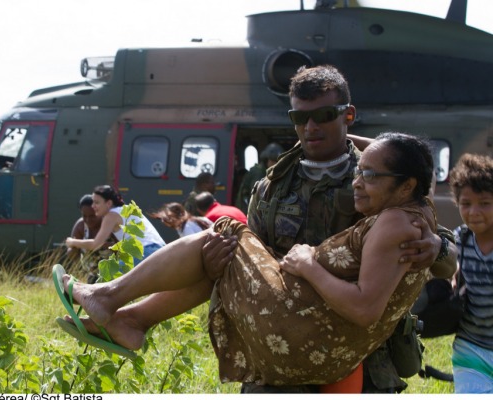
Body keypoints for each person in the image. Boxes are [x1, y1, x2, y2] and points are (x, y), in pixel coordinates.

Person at [58, 132, 441, 390]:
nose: (358, 181)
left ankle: (111, 298)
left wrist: (308, 266)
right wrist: (337, 130)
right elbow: (416, 165)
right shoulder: (418, 206)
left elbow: (364, 308)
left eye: (369, 175)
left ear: (405, 185)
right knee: (221, 257)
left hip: (300, 328)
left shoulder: (395, 223)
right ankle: (130, 320)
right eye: (358, 171)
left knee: (225, 231)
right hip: (312, 332)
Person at [241, 64, 458, 393]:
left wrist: (436, 247)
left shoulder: (382, 175)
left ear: (348, 114)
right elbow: (254, 261)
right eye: (300, 118)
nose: (310, 127)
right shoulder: (271, 188)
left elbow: (447, 263)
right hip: (285, 350)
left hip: (366, 358)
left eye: (325, 114)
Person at [448, 153, 493, 393]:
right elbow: (448, 265)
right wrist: (450, 275)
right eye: (466, 204)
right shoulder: (460, 239)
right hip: (470, 348)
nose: (474, 211)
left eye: (485, 203)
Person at [65, 185, 166, 266]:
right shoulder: (127, 209)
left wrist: (73, 242)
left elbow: (95, 244)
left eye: (96, 202)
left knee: (108, 279)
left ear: (108, 203)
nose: (93, 206)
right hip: (161, 251)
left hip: (145, 252)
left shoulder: (111, 216)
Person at [66, 194, 117, 283]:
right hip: (92, 273)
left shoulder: (110, 223)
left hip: (114, 273)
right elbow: (71, 252)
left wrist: (107, 246)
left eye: (92, 216)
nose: (88, 219)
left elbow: (124, 248)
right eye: (84, 216)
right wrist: (73, 248)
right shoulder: (81, 226)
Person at [235, 142, 284, 213]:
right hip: (247, 209)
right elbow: (257, 196)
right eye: (273, 161)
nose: (276, 164)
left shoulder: (266, 171)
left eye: (277, 162)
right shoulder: (258, 173)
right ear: (267, 160)